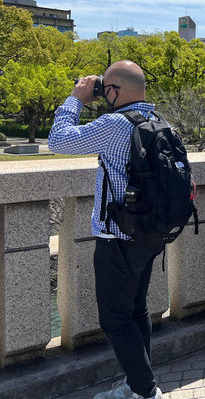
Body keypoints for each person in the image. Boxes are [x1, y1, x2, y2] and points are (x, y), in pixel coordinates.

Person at [48, 61, 165, 399]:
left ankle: (145, 391)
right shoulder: (159, 121)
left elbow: (58, 140)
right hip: (149, 234)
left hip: (118, 237)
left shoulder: (114, 124)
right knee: (137, 309)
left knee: (115, 320)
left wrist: (76, 99)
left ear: (114, 91)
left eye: (105, 90)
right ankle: (137, 384)